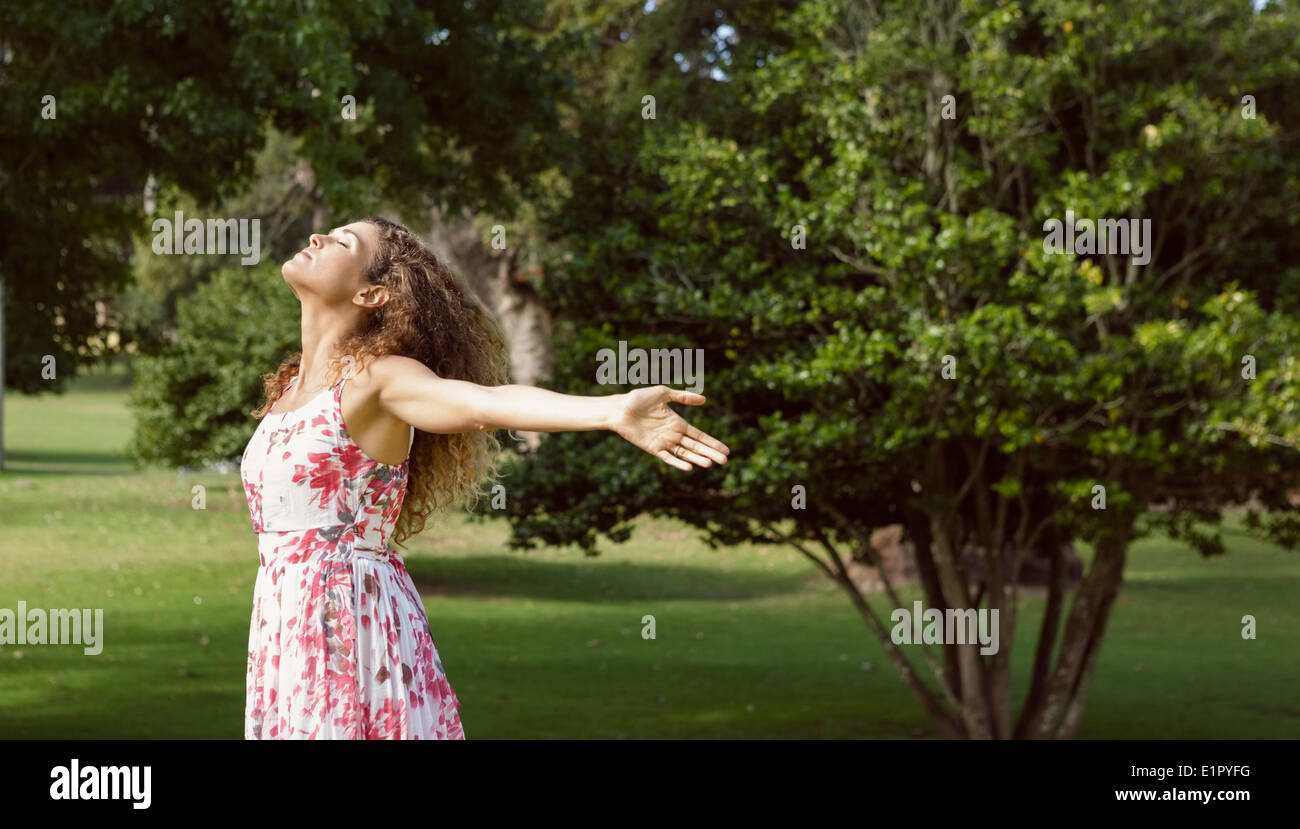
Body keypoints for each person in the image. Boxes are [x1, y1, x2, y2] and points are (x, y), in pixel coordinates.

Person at [238, 216, 730, 739]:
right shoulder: (289, 388)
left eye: (343, 242)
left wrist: (611, 410)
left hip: (351, 624)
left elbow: (485, 403)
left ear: (372, 294)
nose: (317, 238)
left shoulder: (377, 380)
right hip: (284, 625)